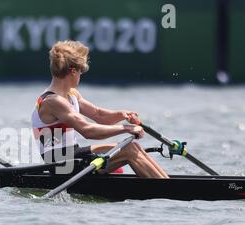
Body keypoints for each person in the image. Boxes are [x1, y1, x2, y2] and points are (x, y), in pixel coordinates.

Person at [31, 41, 169, 178]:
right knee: (130, 149)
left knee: (134, 147)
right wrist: (126, 129)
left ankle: (167, 182)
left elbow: (98, 114)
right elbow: (88, 130)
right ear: (73, 71)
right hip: (61, 166)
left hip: (73, 154)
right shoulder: (53, 101)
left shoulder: (71, 93)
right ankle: (168, 190)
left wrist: (122, 115)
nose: (81, 75)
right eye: (81, 71)